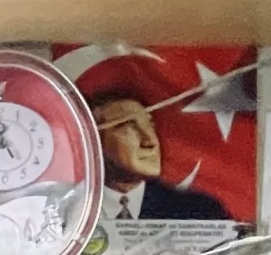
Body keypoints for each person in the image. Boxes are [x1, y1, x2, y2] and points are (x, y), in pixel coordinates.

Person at [90, 94, 230, 221]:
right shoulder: (77, 207)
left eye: (150, 126)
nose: (150, 141)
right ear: (93, 141)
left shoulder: (201, 211)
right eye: (128, 127)